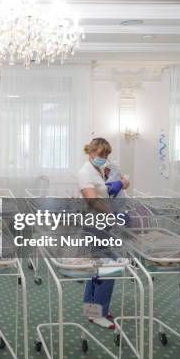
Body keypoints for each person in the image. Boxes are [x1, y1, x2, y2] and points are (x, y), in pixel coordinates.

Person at [77, 137, 130, 329]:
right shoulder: (85, 172)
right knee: (109, 268)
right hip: (95, 224)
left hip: (102, 224)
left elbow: (122, 181)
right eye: (101, 154)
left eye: (106, 154)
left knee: (98, 267)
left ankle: (91, 310)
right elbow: (92, 200)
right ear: (90, 152)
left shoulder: (98, 170)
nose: (104, 157)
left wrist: (116, 186)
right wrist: (114, 213)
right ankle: (98, 313)